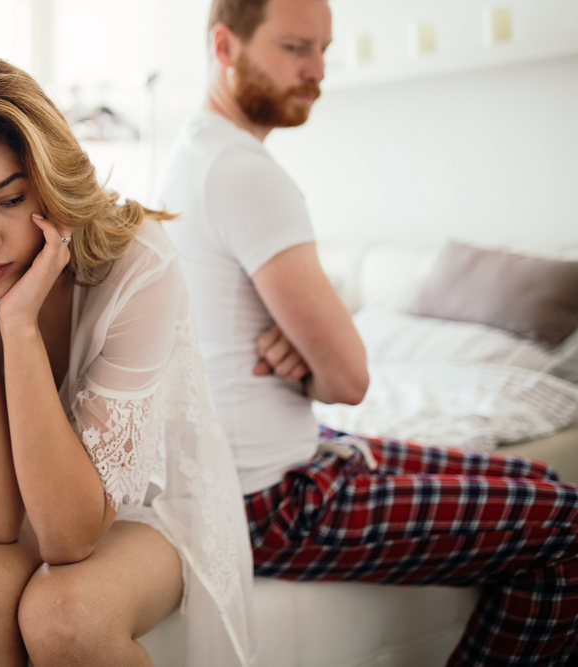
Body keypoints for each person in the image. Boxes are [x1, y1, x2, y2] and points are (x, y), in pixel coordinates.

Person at [155, 0, 578, 664]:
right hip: (270, 500)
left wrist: (313, 343)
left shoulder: (193, 153)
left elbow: (323, 356)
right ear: (225, 46)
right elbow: (350, 378)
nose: (317, 70)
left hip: (262, 463)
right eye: (296, 47)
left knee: (537, 476)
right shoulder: (243, 172)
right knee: (567, 519)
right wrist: (323, 350)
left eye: (324, 49)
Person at [0, 53, 255, 666]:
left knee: (65, 615)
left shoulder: (138, 265)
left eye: (8, 200)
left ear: (47, 183)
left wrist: (21, 325)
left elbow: (68, 536)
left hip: (151, 512)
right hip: (27, 506)